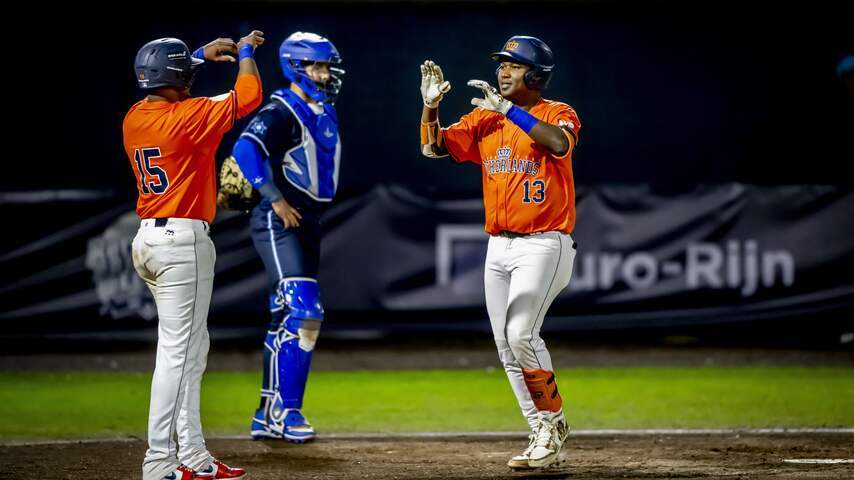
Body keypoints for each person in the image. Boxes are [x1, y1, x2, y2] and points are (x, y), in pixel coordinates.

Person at [419, 36, 581, 470]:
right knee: (507, 347)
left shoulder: (555, 111)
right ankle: (541, 430)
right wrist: (430, 108)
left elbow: (560, 144)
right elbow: (432, 148)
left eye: (513, 65)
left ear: (536, 75)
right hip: (498, 245)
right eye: (501, 64)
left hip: (545, 243)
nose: (503, 72)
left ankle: (552, 420)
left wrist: (508, 111)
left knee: (520, 334)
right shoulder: (484, 119)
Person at [124, 30, 265, 480]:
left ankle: (195, 458)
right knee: (177, 355)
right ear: (176, 76)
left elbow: (169, 81)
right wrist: (244, 52)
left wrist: (198, 57)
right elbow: (249, 93)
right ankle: (159, 462)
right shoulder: (188, 116)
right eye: (185, 70)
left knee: (190, 351)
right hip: (181, 243)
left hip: (148, 241)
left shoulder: (134, 116)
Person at [230, 31, 344, 443]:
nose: (324, 72)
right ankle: (287, 411)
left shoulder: (321, 108)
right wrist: (273, 197)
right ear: (296, 67)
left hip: (308, 221)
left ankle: (267, 412)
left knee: (288, 317)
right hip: (280, 221)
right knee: (304, 311)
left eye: (327, 65)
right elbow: (246, 149)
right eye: (316, 65)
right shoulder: (282, 108)